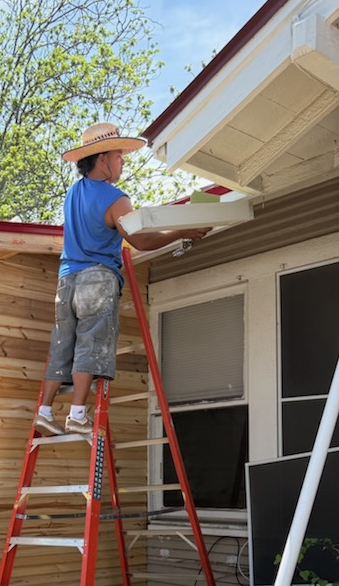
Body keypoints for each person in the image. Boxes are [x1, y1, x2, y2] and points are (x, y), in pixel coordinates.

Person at [35, 122, 211, 436]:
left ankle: (45, 411)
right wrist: (183, 232)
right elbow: (140, 242)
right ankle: (77, 414)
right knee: (92, 344)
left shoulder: (73, 193)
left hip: (66, 281)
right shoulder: (116, 199)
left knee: (63, 345)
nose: (123, 161)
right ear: (102, 158)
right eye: (119, 155)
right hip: (97, 280)